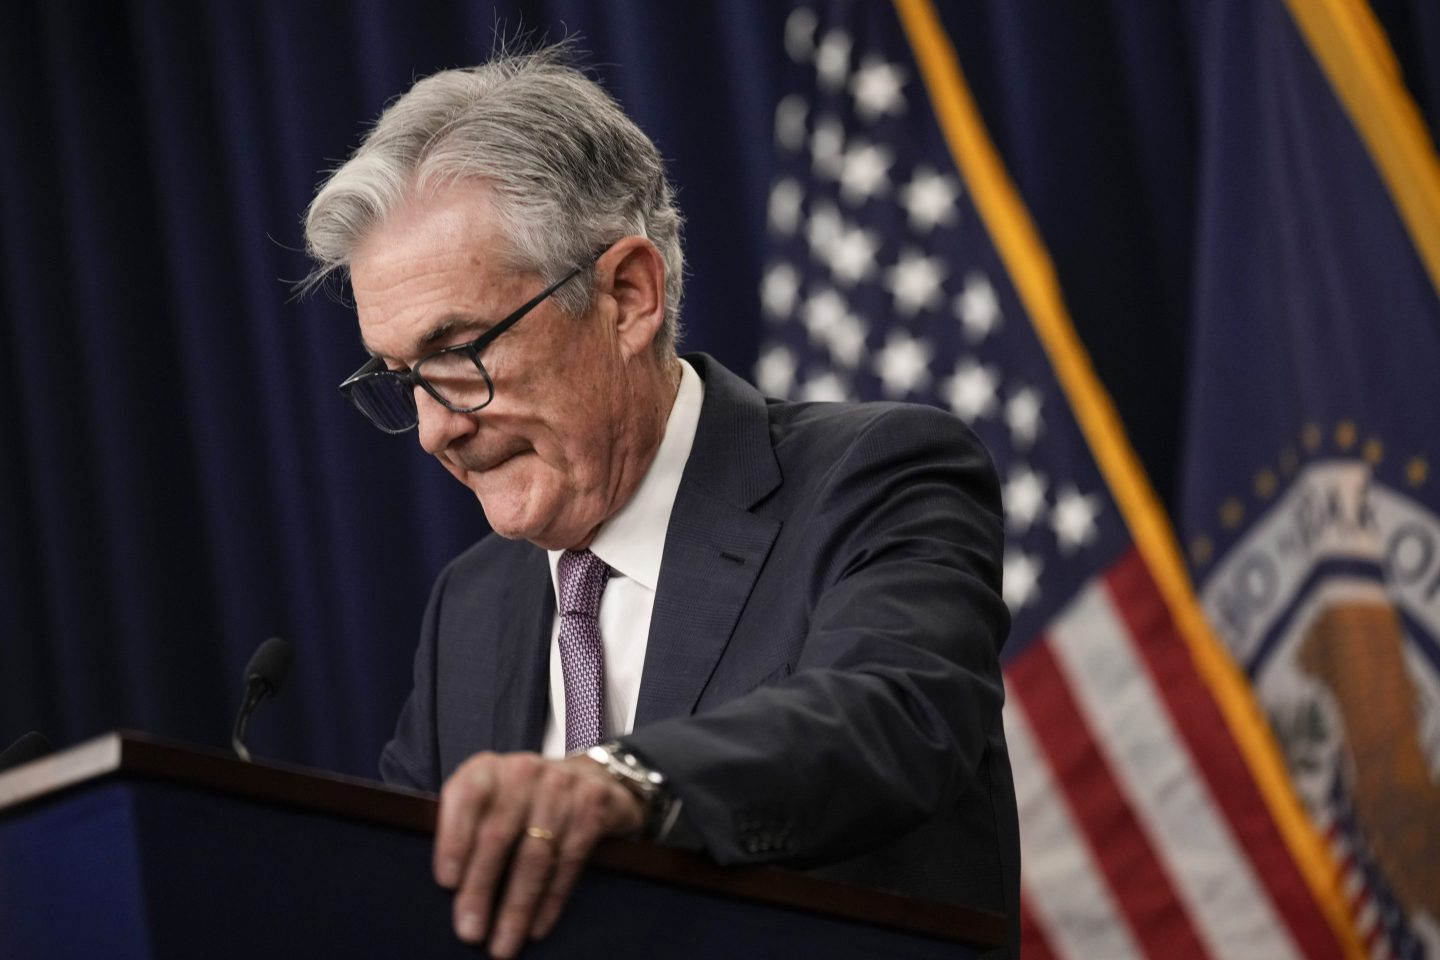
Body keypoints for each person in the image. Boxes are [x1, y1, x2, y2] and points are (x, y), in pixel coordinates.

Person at [303, 45, 1018, 959]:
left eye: (461, 353)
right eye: (403, 379)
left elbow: (896, 717)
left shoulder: (875, 478)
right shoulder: (472, 609)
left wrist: (621, 783)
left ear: (628, 296)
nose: (438, 430)